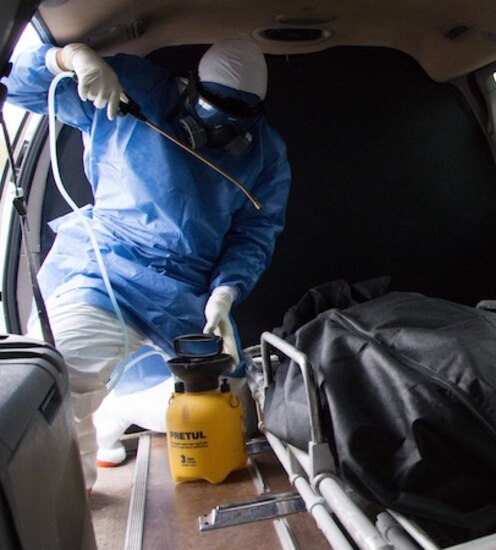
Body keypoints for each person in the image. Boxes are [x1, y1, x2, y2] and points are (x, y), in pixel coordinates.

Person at [3, 39, 291, 489]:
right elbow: (19, 89)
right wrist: (70, 58)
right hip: (107, 272)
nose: (219, 129)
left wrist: (225, 292)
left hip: (184, 294)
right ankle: (65, 509)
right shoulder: (133, 88)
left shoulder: (266, 154)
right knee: (50, 385)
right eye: (212, 109)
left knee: (232, 423)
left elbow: (255, 234)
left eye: (236, 117)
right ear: (191, 88)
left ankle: (119, 408)